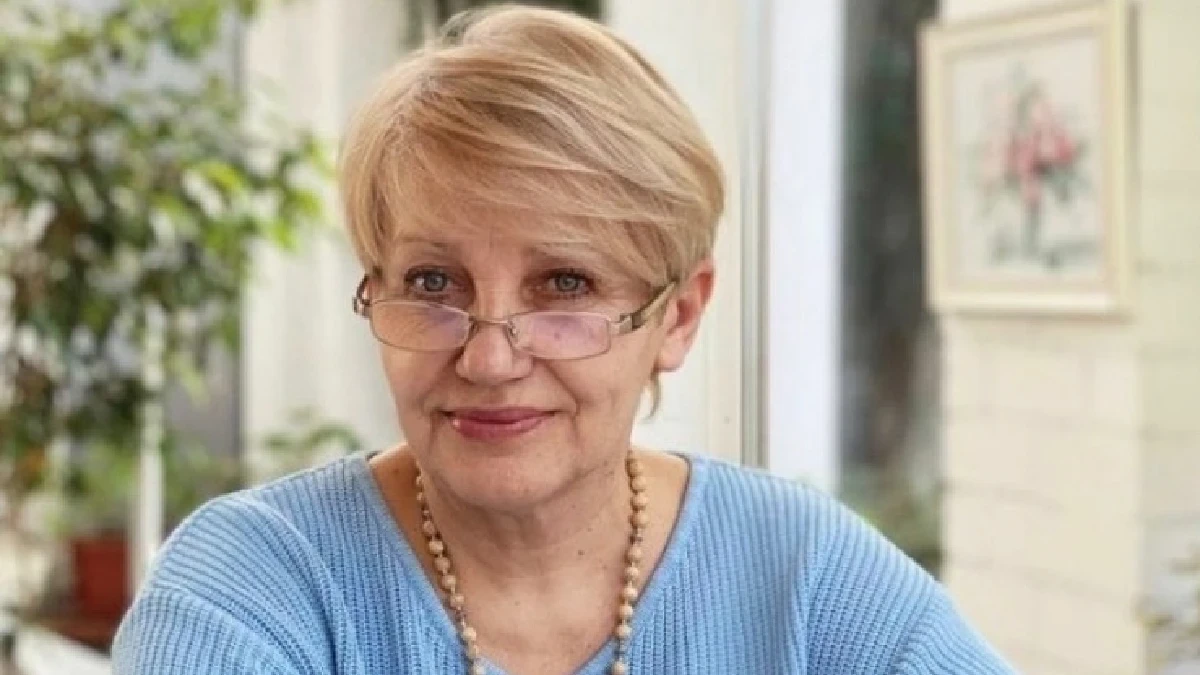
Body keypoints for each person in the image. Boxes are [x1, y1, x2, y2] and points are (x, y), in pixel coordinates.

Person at [113, 6, 1016, 674]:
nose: (489, 358)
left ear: (678, 315)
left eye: (565, 284)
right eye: (433, 283)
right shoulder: (248, 591)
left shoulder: (805, 577)